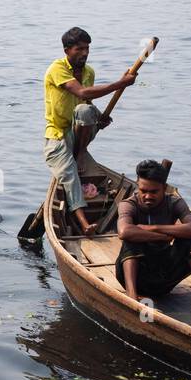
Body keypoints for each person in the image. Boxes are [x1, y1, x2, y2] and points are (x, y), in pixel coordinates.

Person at [43, 27, 136, 235]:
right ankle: (84, 223)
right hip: (58, 135)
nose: (84, 53)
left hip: (79, 133)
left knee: (87, 111)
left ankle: (79, 152)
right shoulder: (57, 68)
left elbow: (86, 101)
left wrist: (100, 118)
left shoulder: (89, 72)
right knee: (70, 175)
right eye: (79, 49)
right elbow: (81, 92)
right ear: (67, 50)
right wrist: (120, 83)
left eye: (87, 49)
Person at [115, 159, 191, 322]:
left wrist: (154, 228)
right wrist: (163, 236)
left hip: (165, 276)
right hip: (138, 277)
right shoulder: (129, 204)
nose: (147, 196)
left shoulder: (174, 202)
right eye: (143, 190)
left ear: (164, 189)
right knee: (131, 239)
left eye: (154, 192)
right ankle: (131, 296)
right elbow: (124, 231)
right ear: (137, 186)